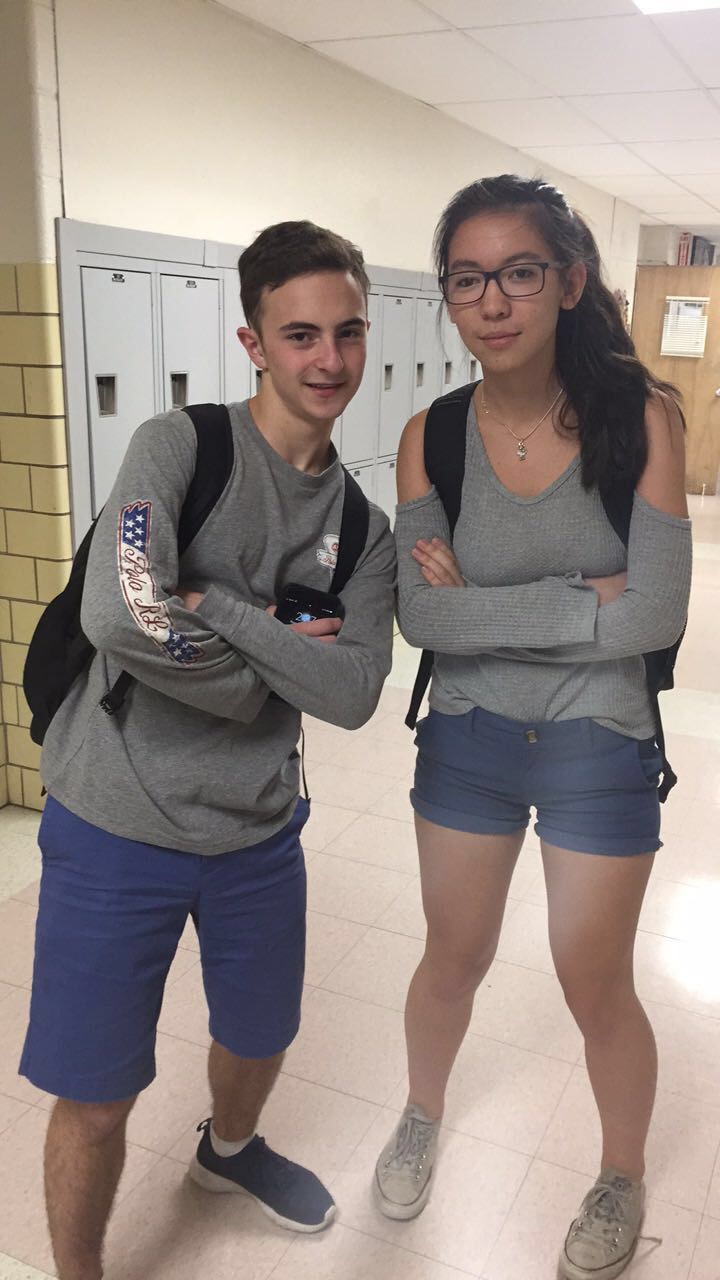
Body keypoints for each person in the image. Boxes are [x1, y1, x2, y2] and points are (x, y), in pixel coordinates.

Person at [20, 220, 396, 1280]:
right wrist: (267, 675)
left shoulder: (364, 528)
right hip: (115, 818)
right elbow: (120, 610)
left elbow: (354, 692)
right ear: (254, 343)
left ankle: (228, 1152)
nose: (328, 359)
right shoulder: (180, 448)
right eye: (300, 334)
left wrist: (219, 605)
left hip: (258, 831)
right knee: (96, 1095)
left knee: (260, 1033)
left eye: (347, 332)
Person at [374, 175, 691, 1280]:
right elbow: (422, 617)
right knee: (452, 957)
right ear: (449, 298)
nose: (493, 301)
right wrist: (579, 598)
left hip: (601, 735)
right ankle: (421, 1111)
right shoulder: (431, 436)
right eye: (467, 279)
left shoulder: (638, 420)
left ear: (567, 282)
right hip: (466, 732)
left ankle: (620, 1174)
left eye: (518, 272)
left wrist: (487, 607)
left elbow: (654, 616)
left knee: (592, 979)